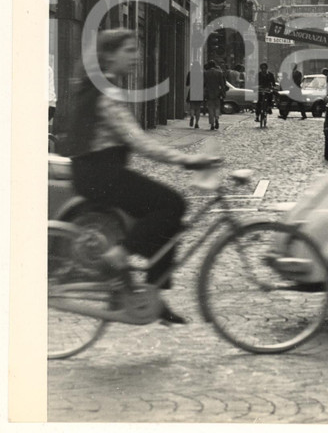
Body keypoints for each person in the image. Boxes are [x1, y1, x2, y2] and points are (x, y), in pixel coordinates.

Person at [67, 29, 223, 325]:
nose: (136, 57)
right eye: (129, 50)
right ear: (109, 56)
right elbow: (138, 140)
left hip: (96, 173)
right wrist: (188, 159)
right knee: (172, 204)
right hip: (102, 176)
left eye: (137, 50)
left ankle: (152, 295)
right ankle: (120, 254)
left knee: (168, 225)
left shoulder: (99, 86)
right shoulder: (108, 92)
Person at [203, 60, 227, 131]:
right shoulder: (219, 73)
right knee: (217, 107)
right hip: (217, 93)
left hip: (209, 93)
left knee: (210, 108)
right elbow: (222, 84)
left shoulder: (206, 73)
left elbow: (203, 84)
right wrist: (223, 93)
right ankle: (216, 118)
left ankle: (212, 123)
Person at [185, 61, 202, 128]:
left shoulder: (190, 73)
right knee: (198, 108)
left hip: (192, 90)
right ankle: (197, 123)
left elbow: (187, 84)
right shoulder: (201, 73)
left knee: (192, 107)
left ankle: (192, 116)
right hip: (199, 91)